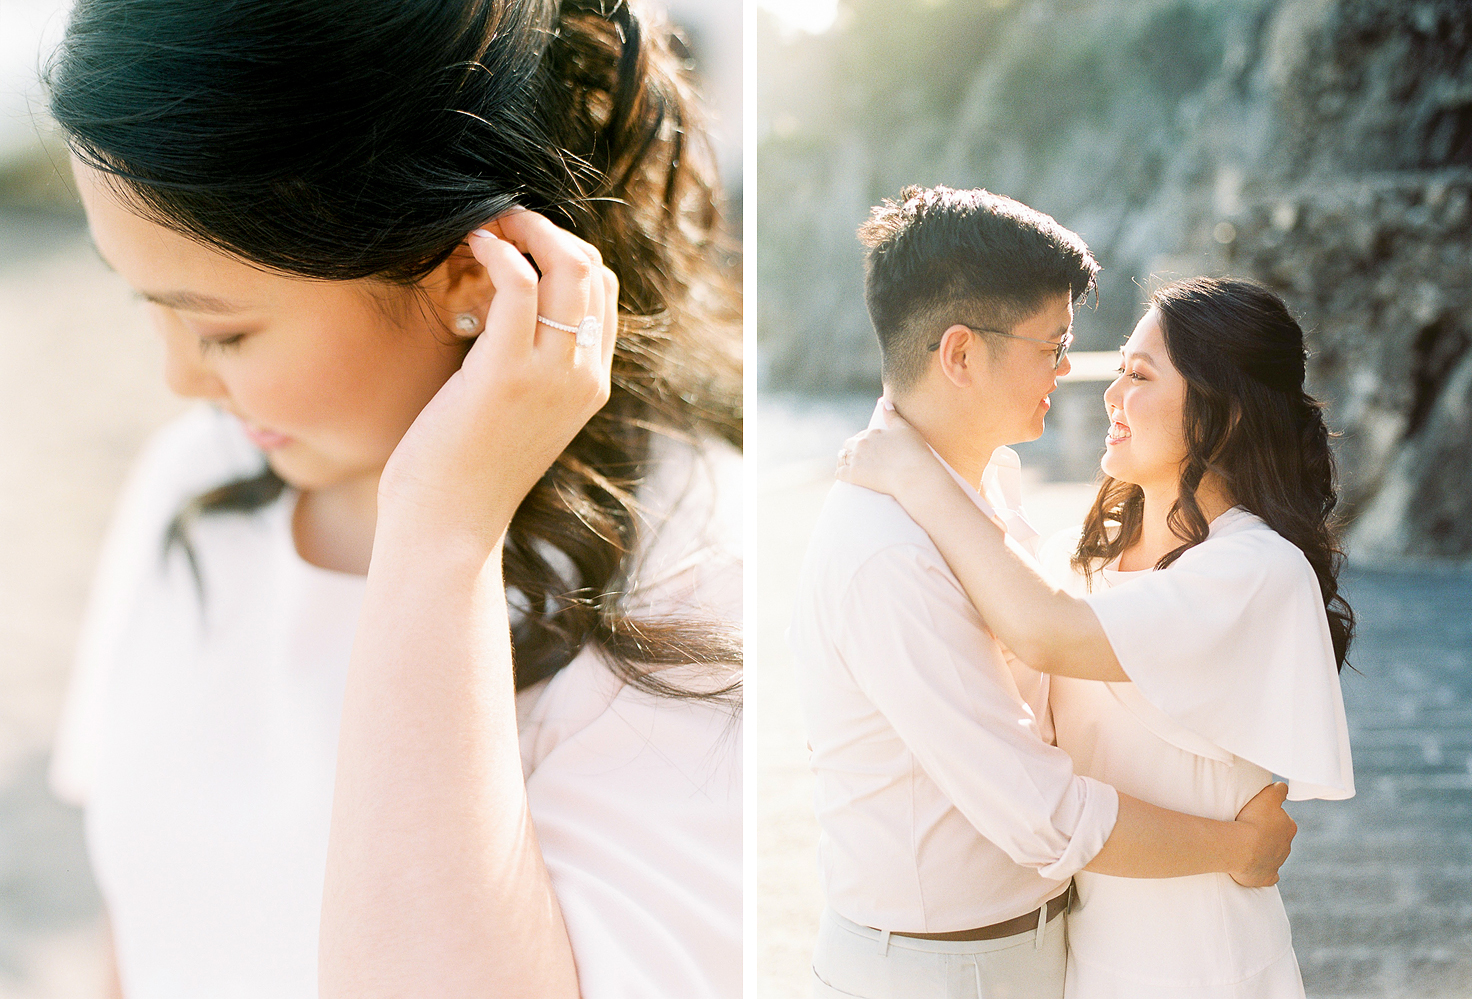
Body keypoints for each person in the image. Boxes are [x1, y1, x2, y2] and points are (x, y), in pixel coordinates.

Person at [43, 2, 742, 997]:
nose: (182, 382)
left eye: (225, 332)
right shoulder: (194, 481)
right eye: (146, 304)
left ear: (472, 273)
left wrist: (442, 539)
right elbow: (139, 925)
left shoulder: (692, 588)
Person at [790, 185, 1300, 999]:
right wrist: (1235, 846)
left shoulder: (984, 483)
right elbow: (1043, 812)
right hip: (940, 968)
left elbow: (1063, 643)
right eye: (1052, 344)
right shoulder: (887, 552)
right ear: (960, 355)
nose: (1071, 371)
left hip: (1037, 949)